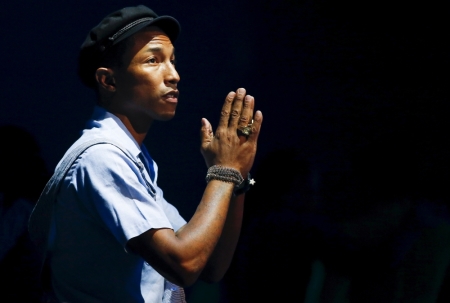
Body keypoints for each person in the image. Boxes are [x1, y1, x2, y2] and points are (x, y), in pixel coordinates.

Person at [28, 4, 262, 303]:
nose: (174, 75)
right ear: (108, 80)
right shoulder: (102, 158)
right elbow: (184, 265)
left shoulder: (134, 159)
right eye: (153, 60)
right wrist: (223, 172)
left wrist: (237, 178)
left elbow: (211, 264)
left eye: (173, 61)